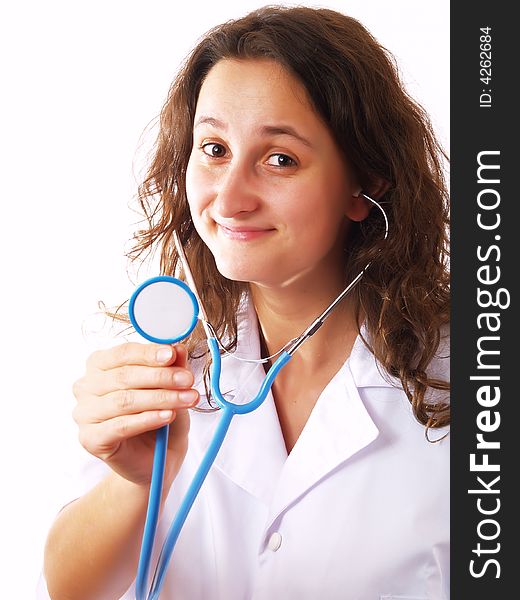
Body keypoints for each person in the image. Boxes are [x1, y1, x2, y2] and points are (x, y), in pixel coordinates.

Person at [41, 5, 450, 600]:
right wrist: (132, 484)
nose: (229, 198)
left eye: (279, 159)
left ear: (364, 185)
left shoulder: (474, 380)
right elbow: (67, 589)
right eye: (213, 149)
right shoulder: (165, 363)